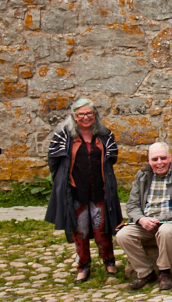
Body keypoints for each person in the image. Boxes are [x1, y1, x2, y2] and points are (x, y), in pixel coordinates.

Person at [46, 98, 123, 283]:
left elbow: (111, 159)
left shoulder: (105, 135)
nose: (86, 117)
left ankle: (109, 261)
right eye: (81, 114)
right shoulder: (63, 136)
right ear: (74, 116)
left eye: (89, 113)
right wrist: (62, 182)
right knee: (79, 231)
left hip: (100, 191)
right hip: (75, 192)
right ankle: (83, 266)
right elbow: (54, 161)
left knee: (102, 229)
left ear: (95, 115)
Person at [117, 143, 172, 291]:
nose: (159, 163)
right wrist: (141, 219)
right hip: (147, 221)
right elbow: (132, 204)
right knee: (123, 235)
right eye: (155, 159)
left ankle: (164, 272)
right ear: (149, 160)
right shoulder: (142, 176)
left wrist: (162, 218)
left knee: (166, 231)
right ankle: (145, 273)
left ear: (170, 158)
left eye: (163, 158)